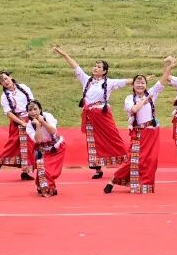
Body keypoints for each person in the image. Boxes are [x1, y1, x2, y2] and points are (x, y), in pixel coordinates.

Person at [53, 46, 129, 179]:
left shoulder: (110, 82)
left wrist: (140, 80)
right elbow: (75, 66)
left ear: (104, 71)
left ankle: (127, 161)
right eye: (95, 66)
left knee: (113, 137)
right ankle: (97, 169)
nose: (95, 68)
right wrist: (64, 54)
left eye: (99, 67)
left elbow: (126, 81)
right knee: (93, 141)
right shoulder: (86, 79)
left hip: (103, 115)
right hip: (90, 115)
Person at [105, 74, 164, 194]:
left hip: (151, 132)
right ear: (133, 85)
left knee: (151, 160)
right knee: (134, 160)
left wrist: (168, 68)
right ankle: (114, 180)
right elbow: (134, 110)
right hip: (138, 132)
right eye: (137, 82)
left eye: (143, 83)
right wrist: (145, 100)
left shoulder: (151, 93)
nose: (140, 85)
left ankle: (144, 185)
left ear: (146, 85)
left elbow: (162, 81)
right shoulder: (129, 99)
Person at [0, 71, 35, 182]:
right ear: (0, 84)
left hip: (29, 120)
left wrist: (34, 117)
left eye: (6, 78)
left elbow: (32, 102)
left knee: (29, 147)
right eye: (2, 81)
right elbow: (9, 113)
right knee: (11, 147)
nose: (5, 81)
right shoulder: (4, 96)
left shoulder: (23, 87)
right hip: (17, 122)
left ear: (11, 77)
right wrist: (21, 122)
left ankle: (25, 173)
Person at [26, 100, 66, 197]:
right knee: (43, 167)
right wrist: (38, 125)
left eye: (35, 109)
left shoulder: (48, 116)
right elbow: (39, 140)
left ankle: (44, 185)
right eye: (30, 110)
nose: (33, 112)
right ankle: (48, 187)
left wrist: (42, 121)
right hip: (42, 149)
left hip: (56, 147)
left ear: (40, 109)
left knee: (50, 171)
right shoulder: (29, 126)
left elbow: (53, 131)